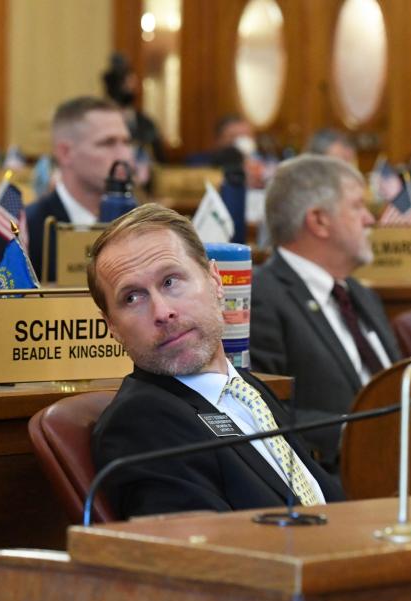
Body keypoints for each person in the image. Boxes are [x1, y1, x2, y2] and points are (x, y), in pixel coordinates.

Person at [88, 203, 343, 519]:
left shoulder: (248, 389)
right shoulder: (141, 423)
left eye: (170, 281)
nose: (162, 312)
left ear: (216, 281)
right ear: (112, 326)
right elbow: (203, 556)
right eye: (132, 298)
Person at [250, 155, 400, 475]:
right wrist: (361, 433)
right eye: (358, 206)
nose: (370, 220)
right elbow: (259, 411)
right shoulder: (262, 297)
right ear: (319, 220)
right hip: (334, 480)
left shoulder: (362, 295)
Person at [0, 96, 133, 281]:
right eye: (107, 143)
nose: (124, 155)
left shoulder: (143, 223)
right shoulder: (23, 231)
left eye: (126, 142)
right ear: (65, 153)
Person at [102, 52, 164, 162]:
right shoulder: (99, 122)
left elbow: (159, 159)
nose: (131, 88)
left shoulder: (145, 124)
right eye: (126, 84)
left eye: (132, 84)